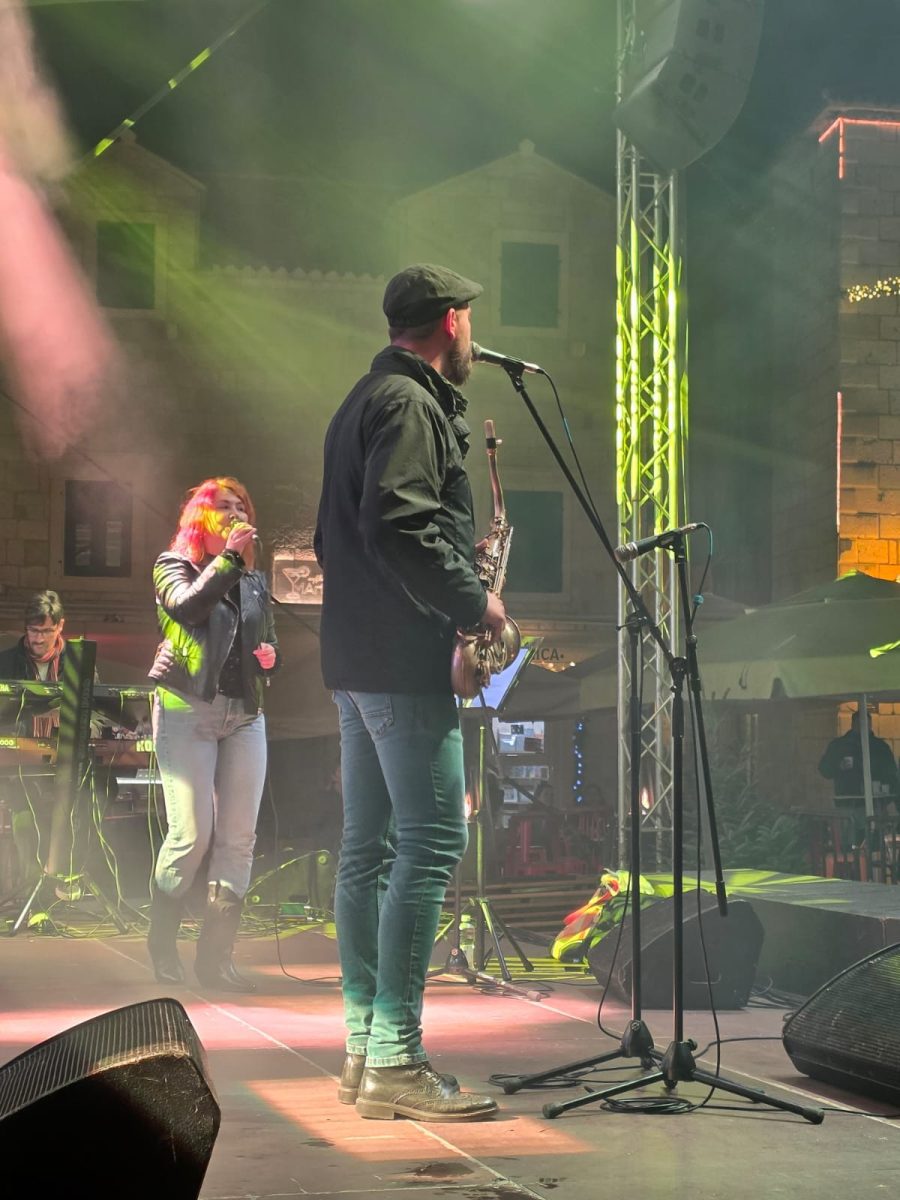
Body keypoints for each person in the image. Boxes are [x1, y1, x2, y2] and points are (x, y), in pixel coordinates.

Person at [314, 263, 505, 1122]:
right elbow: (399, 523)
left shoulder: (360, 400)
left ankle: (365, 1050)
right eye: (469, 322)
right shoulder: (409, 404)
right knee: (430, 845)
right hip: (399, 663)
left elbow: (339, 538)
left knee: (368, 852)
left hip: (356, 661)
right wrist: (473, 601)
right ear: (453, 322)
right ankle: (396, 1058)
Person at [146, 476, 279, 992]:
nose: (235, 513)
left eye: (240, 506)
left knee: (238, 838)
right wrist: (227, 561)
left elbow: (267, 637)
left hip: (245, 714)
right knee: (192, 836)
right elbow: (187, 608)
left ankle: (215, 958)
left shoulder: (253, 578)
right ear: (201, 517)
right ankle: (162, 944)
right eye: (224, 506)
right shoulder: (172, 565)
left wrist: (271, 656)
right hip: (188, 709)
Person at [818, 707, 899, 842]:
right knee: (850, 843)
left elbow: (891, 774)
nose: (863, 727)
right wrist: (838, 766)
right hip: (847, 804)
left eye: (866, 724)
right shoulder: (839, 745)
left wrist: (887, 796)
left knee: (875, 842)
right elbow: (824, 769)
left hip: (875, 804)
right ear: (853, 724)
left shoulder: (880, 747)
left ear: (870, 725)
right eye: (859, 724)